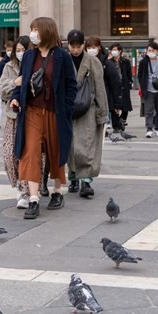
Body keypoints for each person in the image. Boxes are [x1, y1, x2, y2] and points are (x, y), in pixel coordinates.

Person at [9, 17, 77, 220]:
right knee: (30, 151)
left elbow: (71, 85)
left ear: (47, 31)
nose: (33, 33)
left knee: (55, 150)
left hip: (55, 111)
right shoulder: (29, 55)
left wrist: (65, 108)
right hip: (31, 110)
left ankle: (57, 190)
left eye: (36, 29)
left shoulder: (62, 56)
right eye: (32, 29)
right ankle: (34, 198)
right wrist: (15, 98)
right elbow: (21, 82)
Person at [66, 33, 108, 198]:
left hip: (88, 109)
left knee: (87, 145)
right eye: (72, 46)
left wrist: (102, 114)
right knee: (70, 146)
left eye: (78, 46)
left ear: (83, 45)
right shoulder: (63, 60)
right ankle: (73, 177)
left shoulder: (93, 62)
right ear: (68, 45)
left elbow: (100, 88)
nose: (75, 50)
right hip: (68, 108)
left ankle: (86, 181)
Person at [0, 36, 31, 208]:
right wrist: (14, 83)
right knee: (9, 155)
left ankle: (27, 191)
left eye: (23, 50)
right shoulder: (8, 67)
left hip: (31, 117)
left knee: (28, 155)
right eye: (17, 50)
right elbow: (1, 91)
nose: (20, 53)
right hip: (12, 117)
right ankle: (18, 183)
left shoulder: (35, 66)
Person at [137, 41, 158, 138]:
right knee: (149, 110)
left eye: (152, 50)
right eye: (149, 50)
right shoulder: (143, 61)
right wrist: (142, 85)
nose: (150, 52)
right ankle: (149, 129)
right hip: (148, 90)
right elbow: (140, 75)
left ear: (156, 51)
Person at [110, 44, 133, 130]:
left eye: (115, 49)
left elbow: (128, 73)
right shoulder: (109, 62)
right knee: (114, 107)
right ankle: (116, 125)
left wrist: (129, 82)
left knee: (125, 106)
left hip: (124, 85)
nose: (114, 51)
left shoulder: (125, 61)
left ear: (120, 51)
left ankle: (122, 121)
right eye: (112, 49)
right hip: (113, 86)